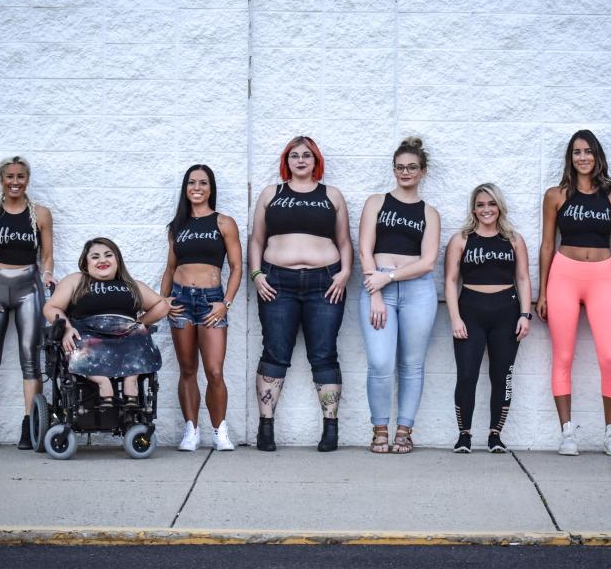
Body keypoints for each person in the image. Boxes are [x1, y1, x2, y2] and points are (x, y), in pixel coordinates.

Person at [249, 136, 353, 452]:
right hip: (277, 283)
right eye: (294, 155)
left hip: (326, 283)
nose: (301, 160)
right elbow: (255, 240)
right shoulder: (272, 193)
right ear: (287, 161)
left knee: (323, 353)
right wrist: (256, 275)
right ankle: (265, 428)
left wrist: (345, 272)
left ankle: (330, 429)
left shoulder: (331, 195)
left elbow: (345, 241)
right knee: (275, 351)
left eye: (307, 155)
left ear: (316, 160)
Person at [536, 130, 611, 456]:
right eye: (577, 152)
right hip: (563, 276)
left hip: (603, 278)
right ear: (570, 158)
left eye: (588, 151)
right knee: (563, 356)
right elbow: (548, 244)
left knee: (608, 355)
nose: (583, 157)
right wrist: (542, 291)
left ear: (598, 156)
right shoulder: (556, 196)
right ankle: (567, 433)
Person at [358, 137, 440, 454]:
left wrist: (388, 276)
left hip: (418, 291)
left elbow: (428, 261)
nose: (405, 172)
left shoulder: (429, 213)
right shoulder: (377, 202)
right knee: (380, 362)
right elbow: (365, 249)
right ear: (394, 169)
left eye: (412, 167)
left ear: (422, 172)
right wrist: (376, 290)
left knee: (412, 365)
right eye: (400, 167)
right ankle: (380, 429)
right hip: (376, 289)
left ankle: (404, 430)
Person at [0, 156, 55, 450]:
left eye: (20, 176)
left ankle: (29, 424)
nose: (15, 182)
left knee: (30, 358)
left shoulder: (41, 214)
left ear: (27, 179)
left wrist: (47, 274)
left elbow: (46, 256)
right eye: (10, 176)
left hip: (27, 287)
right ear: (2, 179)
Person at [444, 183, 531, 454]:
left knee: (502, 375)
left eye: (491, 204)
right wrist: (455, 319)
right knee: (467, 375)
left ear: (499, 206)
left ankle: (495, 435)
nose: (486, 210)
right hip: (470, 310)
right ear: (473, 208)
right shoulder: (461, 239)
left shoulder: (513, 239)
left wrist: (525, 315)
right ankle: (464, 435)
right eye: (480, 205)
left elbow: (523, 278)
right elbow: (450, 281)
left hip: (506, 311)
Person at [161, 165, 243, 452]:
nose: (197, 187)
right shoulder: (177, 226)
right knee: (187, 370)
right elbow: (171, 268)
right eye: (192, 182)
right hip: (181, 302)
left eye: (203, 183)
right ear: (186, 188)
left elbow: (236, 267)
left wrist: (226, 303)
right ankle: (191, 431)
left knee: (215, 371)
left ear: (211, 188)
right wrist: (163, 300)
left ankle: (220, 431)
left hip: (211, 302)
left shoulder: (224, 223)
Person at [43, 238, 169, 404]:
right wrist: (66, 328)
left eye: (108, 255)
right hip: (88, 333)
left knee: (140, 333)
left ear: (117, 260)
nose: (102, 260)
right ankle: (102, 382)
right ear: (85, 263)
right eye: (95, 257)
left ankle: (131, 381)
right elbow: (51, 307)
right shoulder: (77, 280)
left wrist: (140, 322)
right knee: (79, 340)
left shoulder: (131, 285)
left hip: (125, 334)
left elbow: (162, 305)